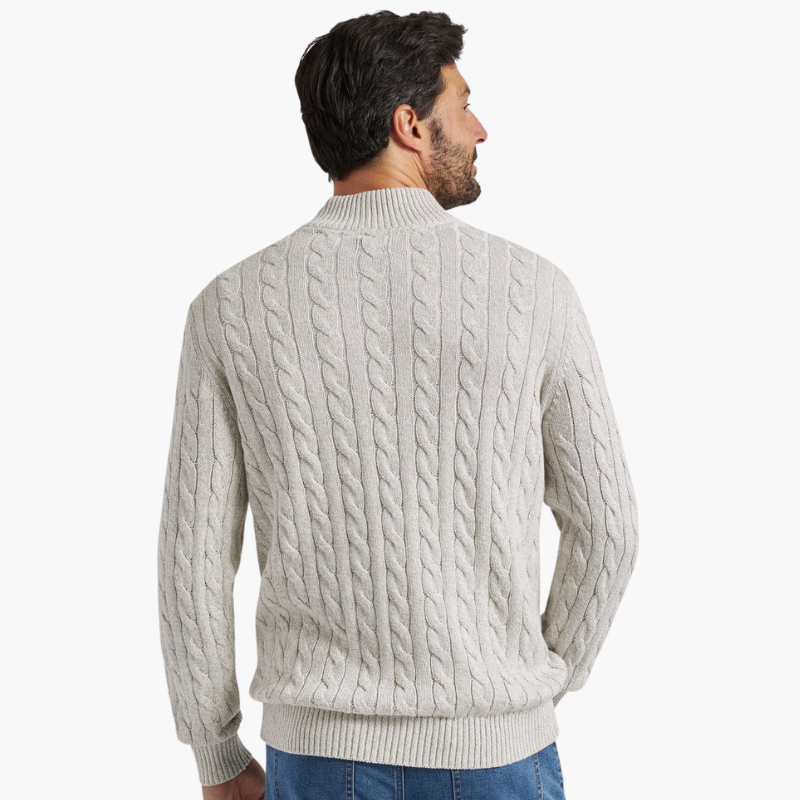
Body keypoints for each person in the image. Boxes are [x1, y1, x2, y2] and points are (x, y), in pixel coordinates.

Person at [156, 10, 639, 800]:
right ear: (409, 125)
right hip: (500, 755)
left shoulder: (230, 306)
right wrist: (532, 684)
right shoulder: (534, 291)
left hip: (318, 756)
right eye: (464, 105)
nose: (480, 128)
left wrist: (215, 752)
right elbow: (609, 526)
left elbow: (194, 558)